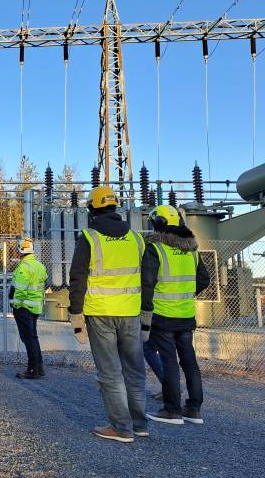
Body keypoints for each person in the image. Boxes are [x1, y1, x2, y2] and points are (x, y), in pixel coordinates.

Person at [68, 186, 148, 443]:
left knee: (110, 372)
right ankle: (139, 424)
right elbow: (147, 279)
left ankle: (122, 428)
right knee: (134, 370)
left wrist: (75, 313)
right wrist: (147, 312)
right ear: (115, 207)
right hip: (131, 313)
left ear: (92, 209)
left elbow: (77, 277)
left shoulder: (89, 238)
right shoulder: (136, 239)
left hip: (100, 313)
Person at [142, 205, 210, 425]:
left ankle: (172, 410)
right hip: (186, 314)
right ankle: (194, 409)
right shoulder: (191, 251)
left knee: (169, 362)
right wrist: (185, 295)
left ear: (158, 224)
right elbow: (204, 279)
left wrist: (144, 311)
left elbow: (147, 282)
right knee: (189, 362)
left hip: (162, 315)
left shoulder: (156, 248)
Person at [9, 237, 48, 379]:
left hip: (24, 307)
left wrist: (15, 304)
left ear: (20, 251)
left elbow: (20, 290)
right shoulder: (39, 266)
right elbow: (44, 282)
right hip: (35, 307)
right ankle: (39, 368)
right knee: (33, 337)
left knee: (28, 338)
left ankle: (33, 370)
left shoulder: (23, 267)